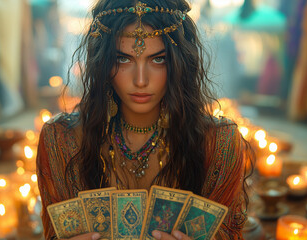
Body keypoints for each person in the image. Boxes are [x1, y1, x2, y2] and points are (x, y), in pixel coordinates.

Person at [36, 0, 253, 239]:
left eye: (158, 59)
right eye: (123, 59)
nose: (141, 80)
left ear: (180, 62)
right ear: (103, 63)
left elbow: (229, 232)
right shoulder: (62, 141)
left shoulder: (218, 143)